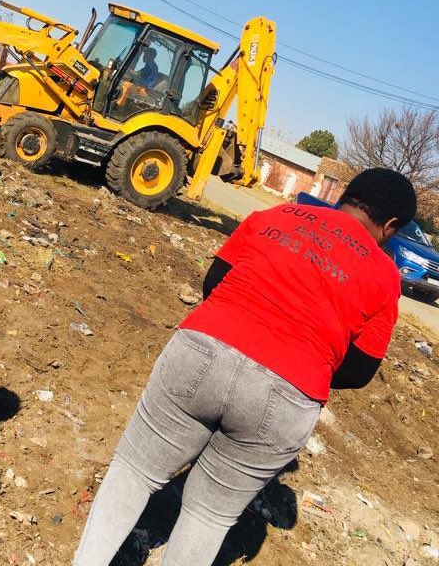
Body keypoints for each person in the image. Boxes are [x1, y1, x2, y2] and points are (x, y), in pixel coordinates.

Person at [73, 168, 416, 566]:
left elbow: (213, 283)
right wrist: (304, 362)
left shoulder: (275, 217)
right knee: (208, 516)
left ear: (347, 195)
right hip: (289, 396)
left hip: (203, 351)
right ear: (391, 225)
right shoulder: (384, 276)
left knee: (134, 471)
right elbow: (359, 372)